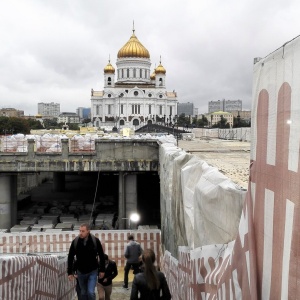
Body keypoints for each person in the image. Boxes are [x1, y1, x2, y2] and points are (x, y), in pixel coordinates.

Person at [67, 223, 105, 300]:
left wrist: (102, 270)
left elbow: (101, 255)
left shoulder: (95, 241)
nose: (81, 233)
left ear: (88, 231)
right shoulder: (75, 241)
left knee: (90, 292)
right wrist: (70, 272)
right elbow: (70, 257)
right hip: (80, 272)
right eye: (80, 231)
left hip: (92, 271)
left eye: (83, 231)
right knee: (83, 293)